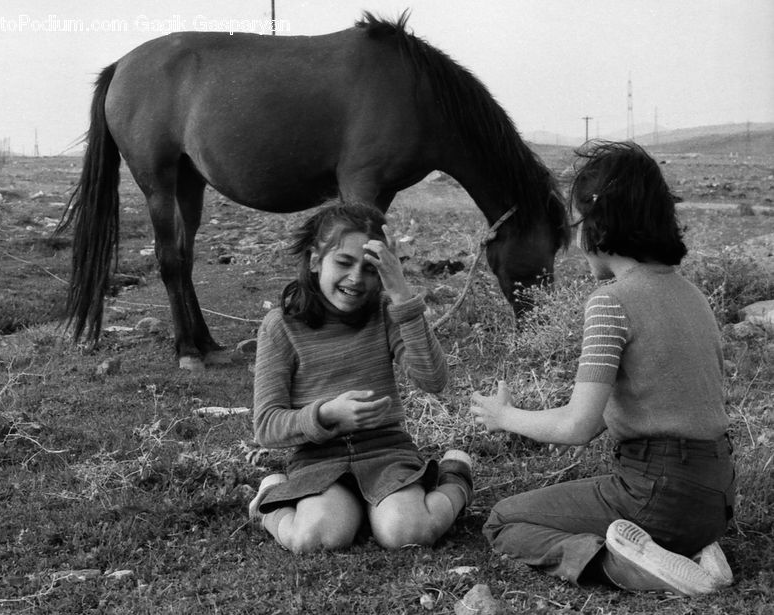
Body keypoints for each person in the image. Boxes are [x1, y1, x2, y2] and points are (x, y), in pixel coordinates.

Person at [470, 141, 736, 596]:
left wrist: (503, 417)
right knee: (603, 496)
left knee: (504, 519)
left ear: (597, 224)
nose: (574, 241)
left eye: (575, 223)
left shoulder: (611, 302)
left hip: (658, 492)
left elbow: (578, 427)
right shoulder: (692, 295)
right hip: (717, 496)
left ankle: (632, 566)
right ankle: (686, 548)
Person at [249, 202, 473, 552]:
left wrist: (401, 294)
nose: (356, 278)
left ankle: (456, 479)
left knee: (407, 533)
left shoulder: (385, 312)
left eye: (370, 269)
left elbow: (433, 380)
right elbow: (266, 425)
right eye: (343, 262)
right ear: (314, 261)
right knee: (316, 539)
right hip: (318, 460)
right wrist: (325, 414)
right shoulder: (281, 326)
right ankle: (270, 499)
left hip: (386, 452)